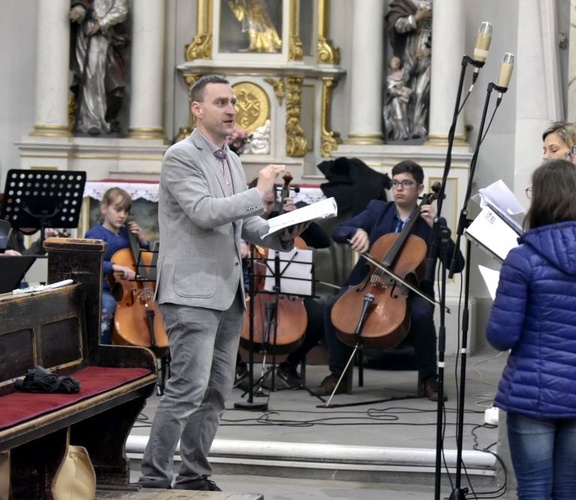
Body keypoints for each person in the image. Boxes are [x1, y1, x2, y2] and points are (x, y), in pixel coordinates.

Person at [137, 75, 305, 492]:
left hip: (228, 293)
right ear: (197, 109)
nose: (232, 109)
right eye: (221, 102)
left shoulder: (230, 160)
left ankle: (194, 474)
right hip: (191, 290)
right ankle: (155, 477)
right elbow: (203, 212)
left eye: (233, 102)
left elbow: (244, 225)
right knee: (186, 389)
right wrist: (260, 190)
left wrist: (282, 230)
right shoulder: (180, 156)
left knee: (214, 392)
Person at [486, 159, 576, 499]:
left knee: (535, 487)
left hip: (531, 390)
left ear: (542, 200)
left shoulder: (523, 259)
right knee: (572, 484)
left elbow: (501, 335)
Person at [312, 160, 464, 401]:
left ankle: (429, 379)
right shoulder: (377, 210)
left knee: (423, 315)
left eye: (406, 183)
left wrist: (436, 228)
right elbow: (339, 231)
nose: (399, 188)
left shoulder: (431, 224)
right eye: (395, 183)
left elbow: (456, 264)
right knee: (332, 306)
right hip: (368, 282)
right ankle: (337, 376)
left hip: (409, 290)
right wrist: (356, 232)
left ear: (420, 188)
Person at [243, 178, 330, 388]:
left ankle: (289, 366)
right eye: (261, 202)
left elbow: (323, 242)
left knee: (319, 316)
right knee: (227, 312)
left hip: (286, 291)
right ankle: (238, 369)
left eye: (271, 204)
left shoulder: (280, 219)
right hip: (247, 290)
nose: (264, 209)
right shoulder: (239, 221)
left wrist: (299, 217)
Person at [84, 187, 148, 345]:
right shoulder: (95, 234)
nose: (122, 215)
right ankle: (103, 347)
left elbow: (142, 260)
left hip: (128, 290)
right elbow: (91, 261)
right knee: (108, 304)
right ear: (104, 208)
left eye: (126, 212)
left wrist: (143, 241)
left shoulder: (128, 235)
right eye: (118, 210)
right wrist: (114, 267)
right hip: (104, 288)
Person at [69, 0, 128, 136]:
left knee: (95, 76)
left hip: (101, 35)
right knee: (87, 76)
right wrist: (79, 11)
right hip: (85, 33)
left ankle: (97, 120)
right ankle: (87, 121)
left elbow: (121, 10)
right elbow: (84, 4)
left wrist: (101, 24)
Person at [386, 0, 432, 139]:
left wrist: (430, 49)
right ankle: (405, 130)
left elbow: (445, 29)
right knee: (408, 92)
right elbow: (396, 26)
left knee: (421, 91)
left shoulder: (434, 4)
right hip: (409, 49)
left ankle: (419, 127)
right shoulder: (403, 2)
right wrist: (416, 18)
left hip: (427, 50)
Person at [383, 56, 413, 141]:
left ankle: (406, 132)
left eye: (398, 61)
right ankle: (401, 133)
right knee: (398, 115)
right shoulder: (389, 78)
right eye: (394, 61)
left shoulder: (404, 74)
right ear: (390, 63)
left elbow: (406, 84)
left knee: (405, 116)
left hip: (406, 99)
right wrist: (401, 93)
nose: (396, 63)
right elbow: (391, 90)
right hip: (396, 98)